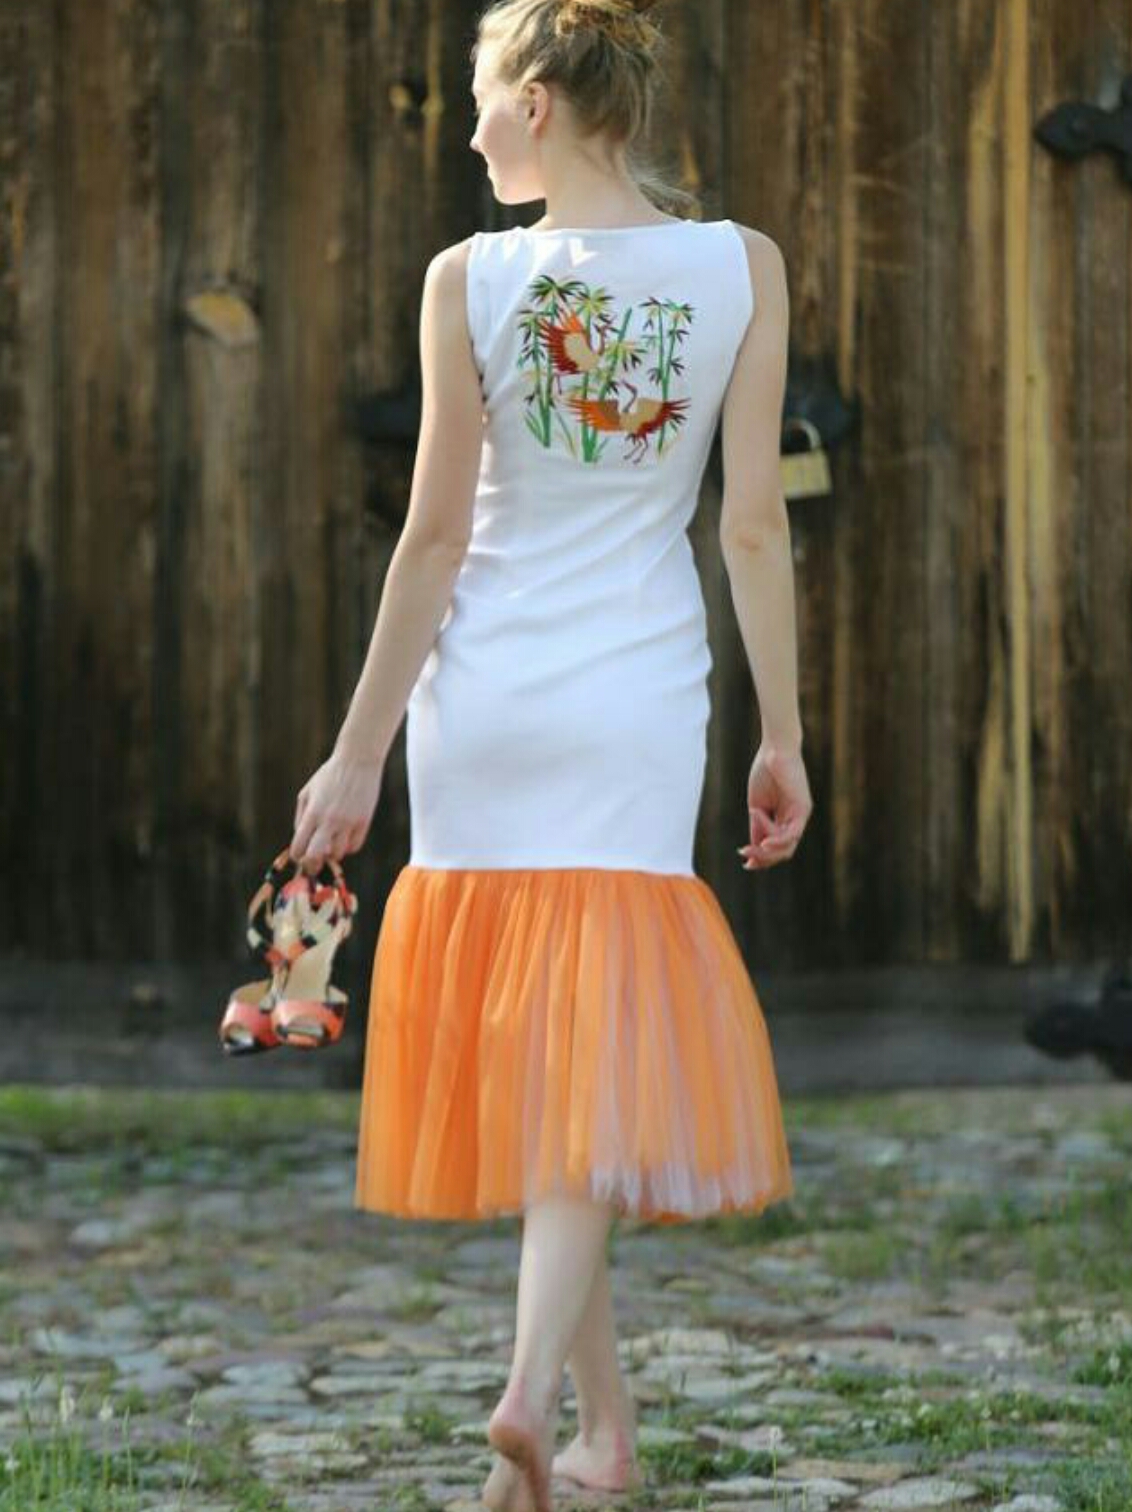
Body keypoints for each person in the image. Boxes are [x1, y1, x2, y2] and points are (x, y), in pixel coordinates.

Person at [288, 0, 812, 1505]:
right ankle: (547, 1405)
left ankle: (588, 1431)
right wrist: (781, 734)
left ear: (533, 100)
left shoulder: (470, 280)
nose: (468, 134)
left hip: (487, 704)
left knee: (542, 1062)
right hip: (638, 699)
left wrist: (358, 752)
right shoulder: (742, 266)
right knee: (584, 1066)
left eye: (476, 101)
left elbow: (433, 539)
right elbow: (752, 524)